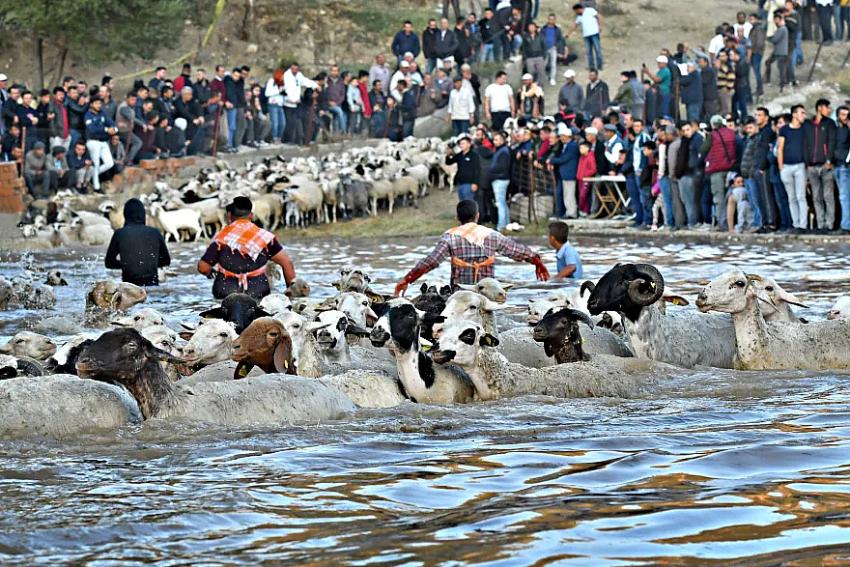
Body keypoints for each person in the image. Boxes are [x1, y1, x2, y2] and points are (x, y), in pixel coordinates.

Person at [394, 200, 550, 293]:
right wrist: (538, 262)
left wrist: (407, 280)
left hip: (460, 295)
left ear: (457, 217)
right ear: (478, 216)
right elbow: (518, 252)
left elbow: (430, 262)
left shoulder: (450, 236)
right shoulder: (491, 235)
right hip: (487, 294)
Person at [197, 196, 296, 299]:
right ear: (251, 216)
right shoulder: (265, 237)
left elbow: (203, 267)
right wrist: (291, 292)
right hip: (258, 291)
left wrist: (210, 273)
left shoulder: (220, 238)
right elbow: (287, 263)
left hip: (225, 292)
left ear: (229, 215)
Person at [104, 199, 171, 287]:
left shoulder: (119, 234)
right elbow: (166, 261)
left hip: (129, 287)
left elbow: (109, 263)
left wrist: (126, 265)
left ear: (125, 215)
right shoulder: (155, 233)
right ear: (143, 214)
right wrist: (151, 263)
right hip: (152, 284)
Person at [805, 98, 837, 232]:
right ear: (819, 108)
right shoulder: (808, 124)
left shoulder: (830, 123)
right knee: (816, 197)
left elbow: (832, 142)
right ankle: (820, 224)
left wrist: (829, 160)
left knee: (828, 196)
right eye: (827, 107)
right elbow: (805, 144)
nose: (829, 110)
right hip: (811, 166)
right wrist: (807, 163)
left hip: (826, 166)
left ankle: (829, 225)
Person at [778, 104, 808, 233]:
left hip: (800, 166)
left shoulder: (804, 129)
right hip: (786, 167)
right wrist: (781, 167)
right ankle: (795, 224)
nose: (804, 115)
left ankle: (803, 225)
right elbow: (780, 148)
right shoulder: (784, 129)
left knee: (801, 196)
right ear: (794, 114)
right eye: (802, 113)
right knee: (791, 197)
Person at [549, 123, 580, 219]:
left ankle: (571, 213)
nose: (561, 138)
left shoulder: (572, 146)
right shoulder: (566, 146)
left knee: (569, 194)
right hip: (565, 174)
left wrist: (552, 160)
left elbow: (565, 158)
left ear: (567, 137)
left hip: (570, 173)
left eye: (562, 136)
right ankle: (568, 212)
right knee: (567, 194)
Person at [568, 3, 603, 71]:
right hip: (586, 36)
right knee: (588, 52)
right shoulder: (579, 17)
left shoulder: (590, 10)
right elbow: (574, 25)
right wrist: (568, 33)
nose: (576, 13)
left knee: (597, 50)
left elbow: (599, 16)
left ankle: (599, 66)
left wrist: (600, 26)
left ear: (579, 9)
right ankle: (591, 67)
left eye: (576, 11)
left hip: (594, 33)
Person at [446, 134, 480, 201]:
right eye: (460, 144)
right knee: (463, 204)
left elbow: (477, 169)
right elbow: (449, 162)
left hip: (469, 184)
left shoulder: (474, 155)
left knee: (470, 204)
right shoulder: (459, 155)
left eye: (463, 143)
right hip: (460, 183)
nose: (461, 145)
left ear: (469, 144)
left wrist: (475, 183)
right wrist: (448, 154)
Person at [489, 130, 511, 232]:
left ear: (502, 141)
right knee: (502, 202)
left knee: (500, 203)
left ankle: (501, 225)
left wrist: (491, 170)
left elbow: (502, 166)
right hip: (500, 178)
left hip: (500, 179)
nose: (495, 141)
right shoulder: (500, 150)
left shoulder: (504, 151)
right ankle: (506, 223)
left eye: (497, 140)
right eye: (494, 139)